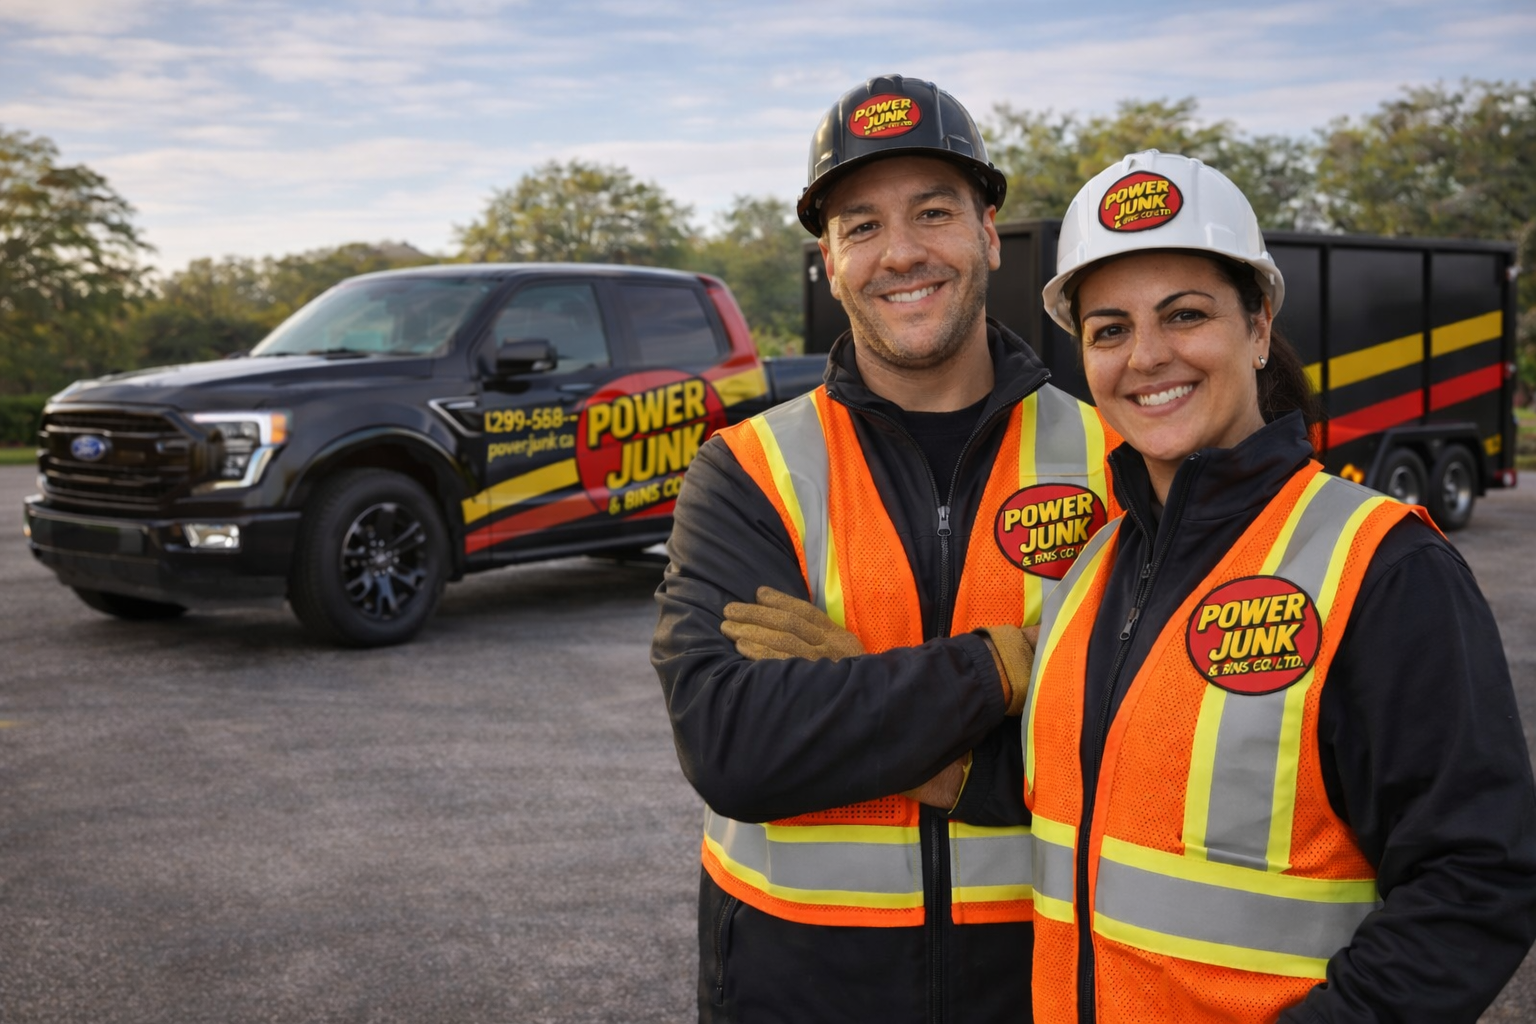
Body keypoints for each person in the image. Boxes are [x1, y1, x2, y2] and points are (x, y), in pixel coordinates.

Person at [1020, 149, 1536, 1023]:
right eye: (1109, 329)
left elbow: (1476, 877)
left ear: (1258, 327)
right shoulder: (1088, 569)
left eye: (1184, 315)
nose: (1146, 356)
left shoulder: (1381, 564)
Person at [652, 74, 1119, 1022]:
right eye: (860, 226)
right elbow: (734, 744)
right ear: (829, 261)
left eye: (933, 212)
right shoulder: (747, 470)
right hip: (796, 989)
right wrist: (999, 667)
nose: (899, 253)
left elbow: (1149, 748)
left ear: (990, 233)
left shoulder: (1118, 461)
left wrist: (894, 728)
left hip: (1042, 987)